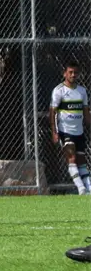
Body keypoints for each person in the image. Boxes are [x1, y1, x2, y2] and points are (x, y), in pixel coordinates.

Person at [50, 61, 91, 195]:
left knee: (81, 160)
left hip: (79, 132)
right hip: (65, 130)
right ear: (65, 73)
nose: (73, 75)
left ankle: (89, 188)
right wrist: (54, 132)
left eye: (75, 72)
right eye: (70, 72)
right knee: (71, 157)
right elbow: (52, 112)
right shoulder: (59, 90)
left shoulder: (82, 91)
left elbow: (86, 111)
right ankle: (81, 188)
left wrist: (88, 124)